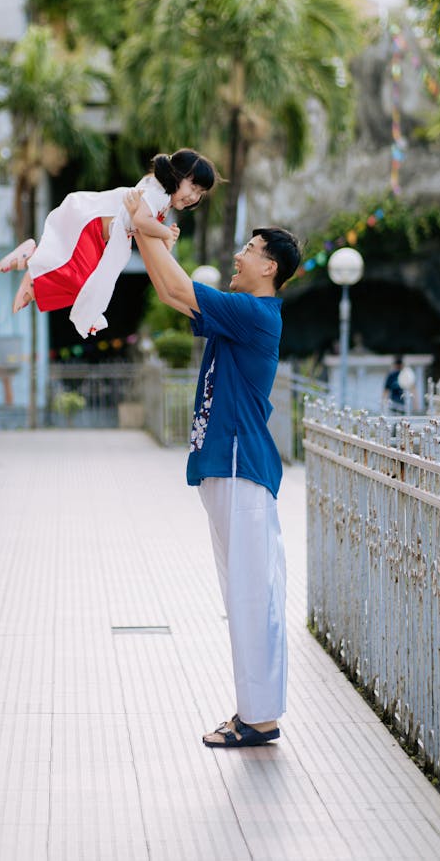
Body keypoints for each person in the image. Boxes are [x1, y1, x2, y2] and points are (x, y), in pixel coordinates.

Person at [126, 192, 301, 750]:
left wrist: (149, 229)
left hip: (240, 466)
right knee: (244, 594)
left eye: (249, 250)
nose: (239, 257)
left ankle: (260, 718)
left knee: (252, 595)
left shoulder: (254, 313)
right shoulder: (239, 313)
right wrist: (147, 233)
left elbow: (178, 288)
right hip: (228, 470)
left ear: (269, 266)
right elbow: (171, 293)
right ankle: (255, 712)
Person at [0, 149, 218, 339]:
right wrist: (165, 235)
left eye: (200, 193)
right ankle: (31, 265)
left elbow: (146, 233)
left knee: (81, 282)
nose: (194, 197)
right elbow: (141, 220)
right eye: (193, 187)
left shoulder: (161, 196)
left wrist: (164, 237)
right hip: (92, 227)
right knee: (80, 280)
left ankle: (32, 273)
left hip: (100, 235)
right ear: (176, 174)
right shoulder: (159, 194)